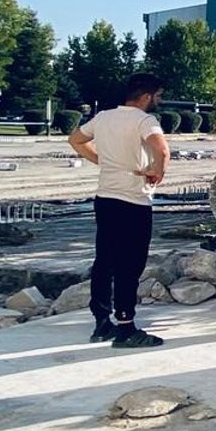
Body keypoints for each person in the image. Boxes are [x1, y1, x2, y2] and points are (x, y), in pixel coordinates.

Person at [69, 73, 169, 347]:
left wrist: (102, 161)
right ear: (147, 96)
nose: (159, 101)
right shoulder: (145, 121)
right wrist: (157, 172)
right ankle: (126, 327)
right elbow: (162, 150)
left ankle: (102, 322)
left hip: (105, 197)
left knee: (105, 260)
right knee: (130, 264)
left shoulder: (103, 117)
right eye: (158, 96)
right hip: (133, 200)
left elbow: (75, 139)